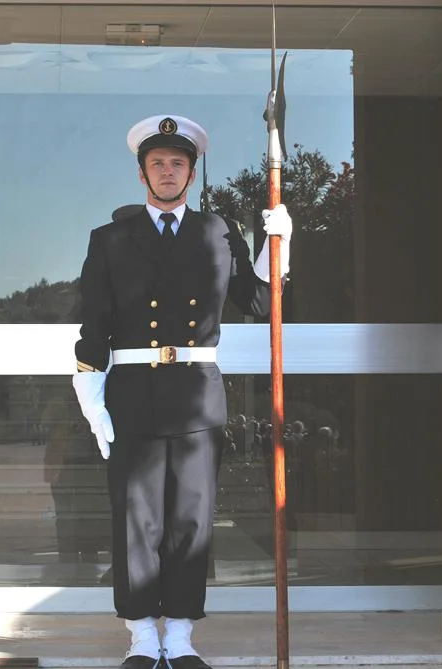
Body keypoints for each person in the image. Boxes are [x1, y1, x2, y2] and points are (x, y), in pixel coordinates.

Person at [71, 114, 292, 669]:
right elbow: (93, 324)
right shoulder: (110, 238)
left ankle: (183, 636)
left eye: (177, 163)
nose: (167, 172)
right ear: (141, 173)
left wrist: (277, 244)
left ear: (191, 174)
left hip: (196, 392)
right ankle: (143, 635)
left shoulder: (218, 232)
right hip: (132, 393)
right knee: (136, 518)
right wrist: (90, 396)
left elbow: (260, 303)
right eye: (157, 164)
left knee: (192, 519)